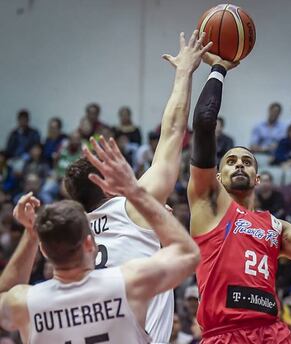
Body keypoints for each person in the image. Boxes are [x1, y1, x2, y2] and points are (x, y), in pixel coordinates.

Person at [187, 51, 291, 343]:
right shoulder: (208, 206)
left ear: (258, 178)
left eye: (247, 161)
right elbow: (203, 123)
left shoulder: (275, 226)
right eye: (230, 161)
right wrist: (218, 69)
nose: (239, 164)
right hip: (224, 333)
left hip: (271, 332)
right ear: (217, 177)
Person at [64, 30, 212, 344]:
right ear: (104, 182)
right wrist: (185, 72)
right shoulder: (132, 206)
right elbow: (172, 131)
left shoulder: (77, 234)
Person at [0, 139, 200, 343]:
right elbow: (188, 254)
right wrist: (141, 199)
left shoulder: (30, 302)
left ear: (43, 251)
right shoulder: (125, 283)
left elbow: (4, 294)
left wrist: (30, 235)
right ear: (90, 244)